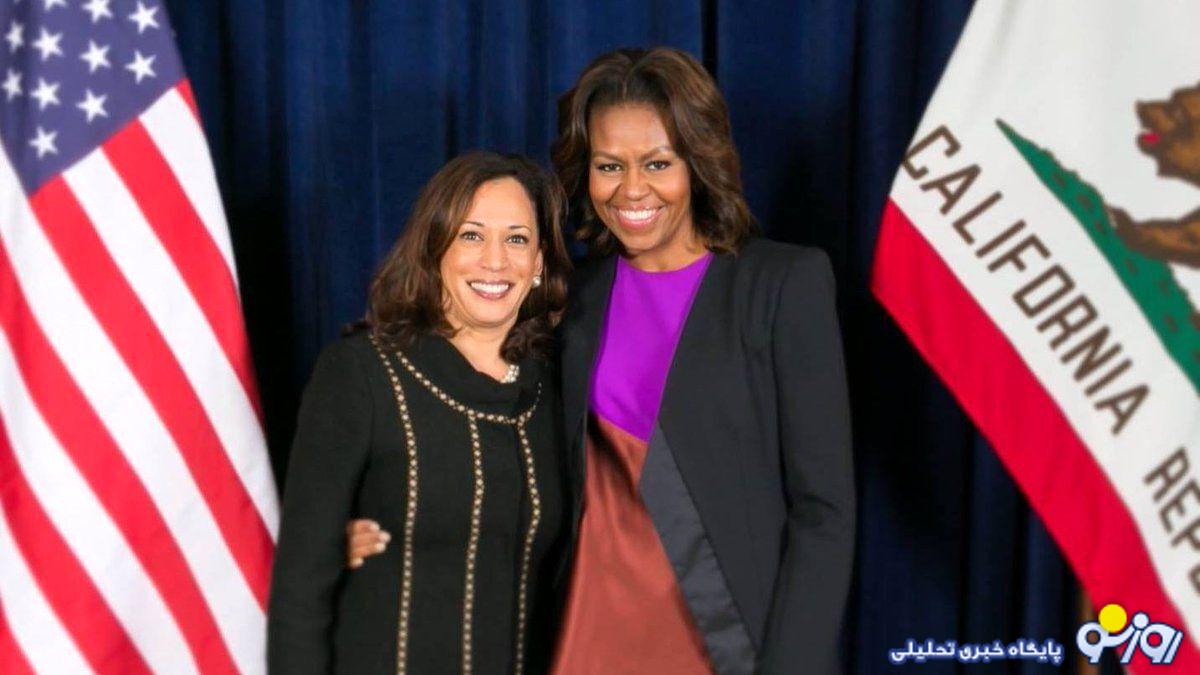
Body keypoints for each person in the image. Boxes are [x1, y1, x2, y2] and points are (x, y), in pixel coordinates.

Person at [350, 47, 854, 674]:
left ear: (698, 163)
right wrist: (374, 514)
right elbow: (479, 429)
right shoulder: (570, 296)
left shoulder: (782, 285)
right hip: (585, 639)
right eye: (609, 165)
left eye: (658, 163)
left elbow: (824, 512)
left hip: (732, 646)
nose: (632, 190)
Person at [268, 152, 573, 675]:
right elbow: (300, 589)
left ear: (540, 262)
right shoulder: (361, 373)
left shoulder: (558, 388)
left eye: (517, 239)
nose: (495, 261)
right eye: (471, 235)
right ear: (435, 249)